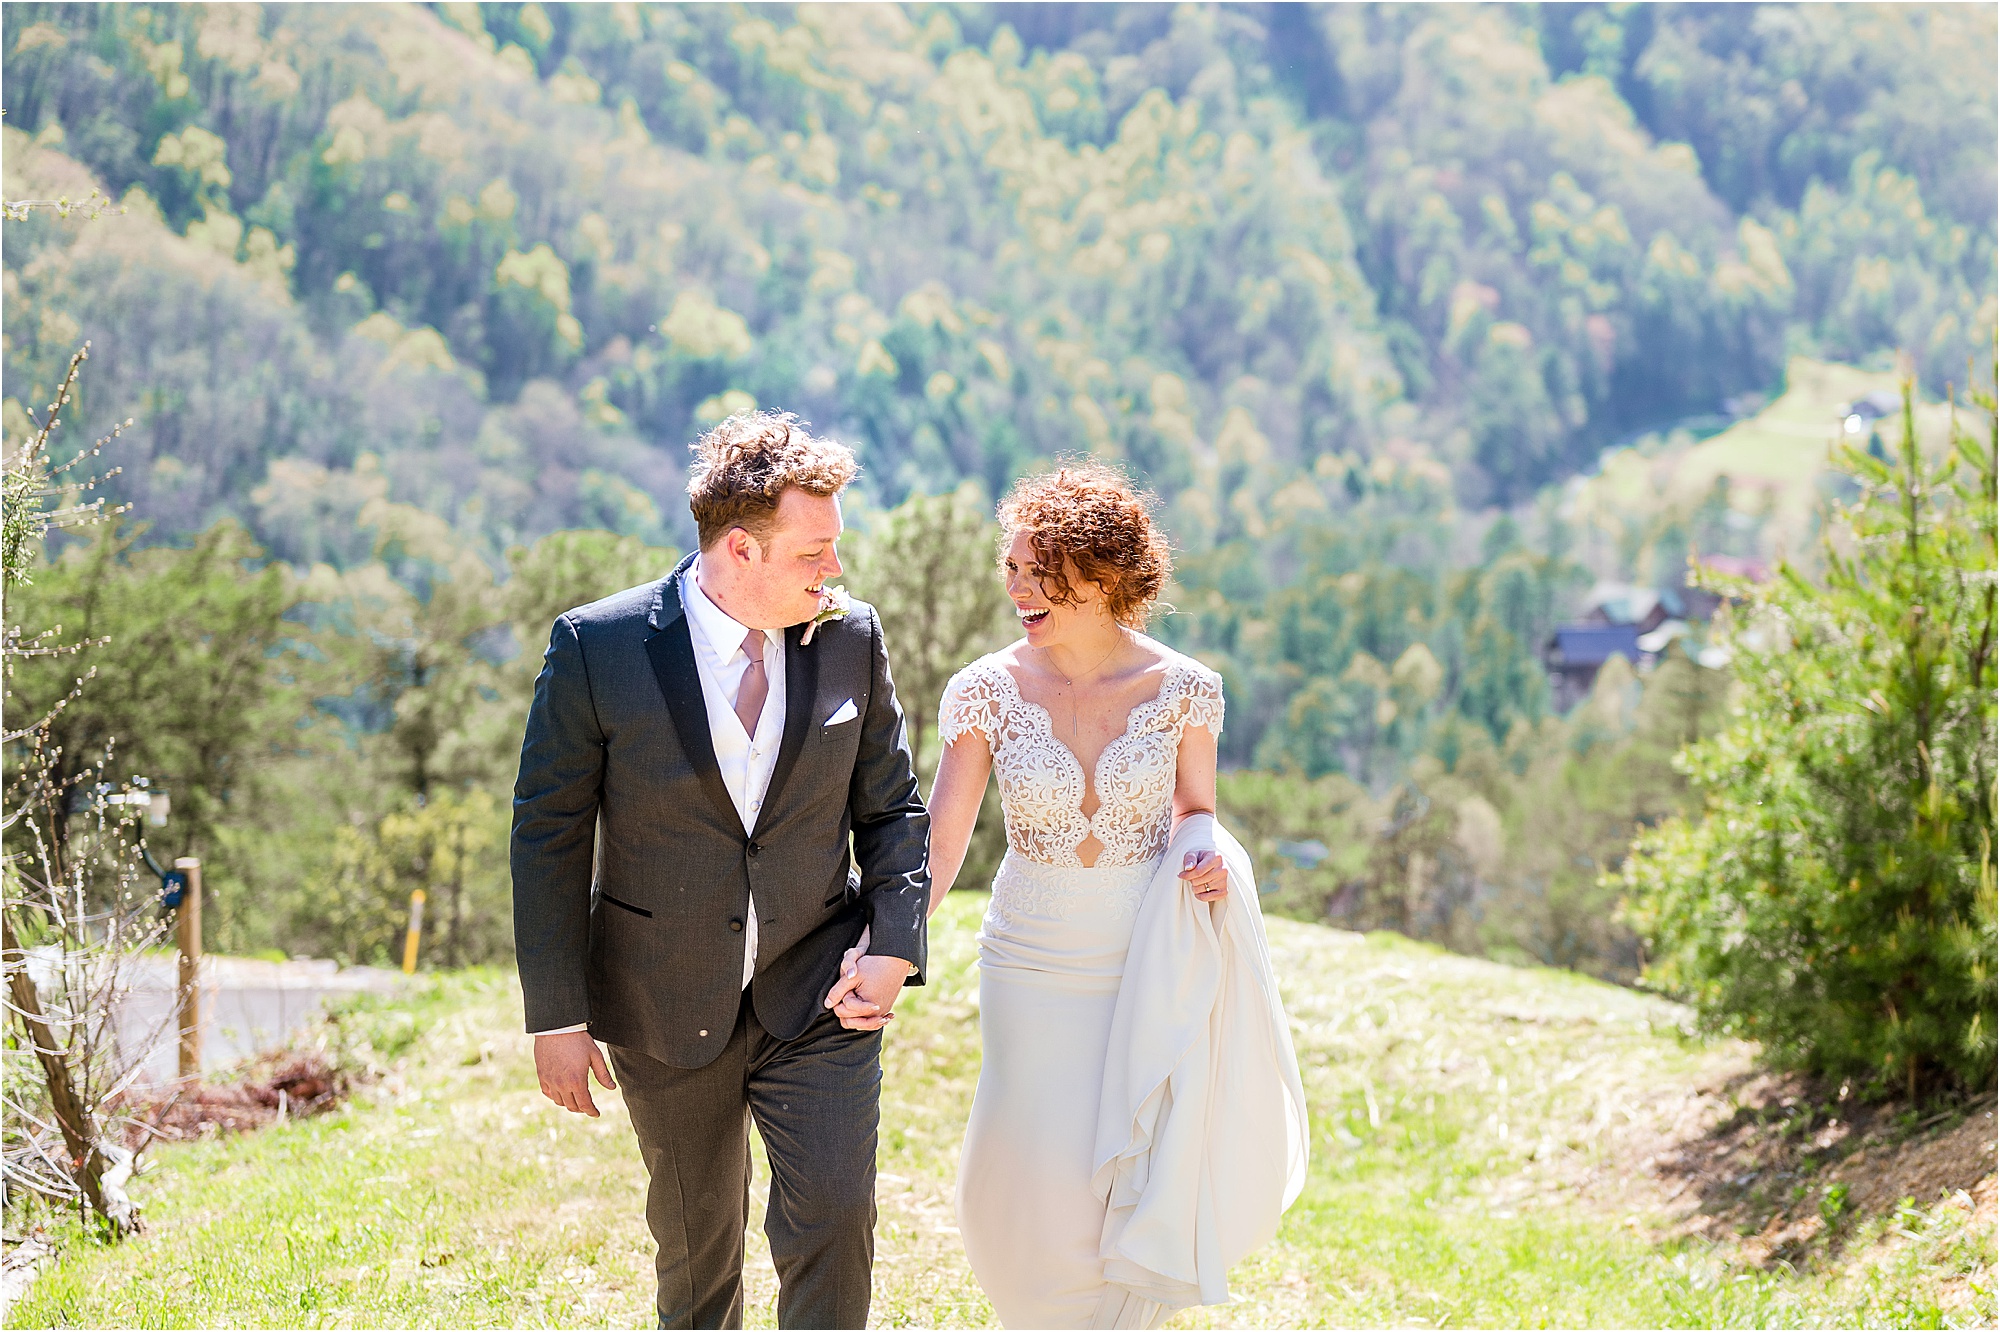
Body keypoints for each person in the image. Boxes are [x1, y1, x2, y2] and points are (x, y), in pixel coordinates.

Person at [828, 464, 1308, 1329]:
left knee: (1124, 1152)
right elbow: (938, 848)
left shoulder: (1186, 688)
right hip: (1030, 959)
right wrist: (882, 940)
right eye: (1008, 568)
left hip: (1140, 958)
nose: (1014, 588)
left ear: (1100, 574)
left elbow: (1195, 813)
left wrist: (1205, 854)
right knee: (1027, 1152)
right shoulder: (985, 690)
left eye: (1033, 569)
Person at [510, 412, 930, 1330]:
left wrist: (895, 946)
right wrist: (557, 1013)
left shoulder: (851, 639)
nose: (834, 572)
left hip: (818, 993)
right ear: (741, 547)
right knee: (698, 1252)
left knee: (835, 1214)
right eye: (814, 552)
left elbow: (893, 811)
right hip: (658, 998)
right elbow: (548, 833)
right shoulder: (600, 648)